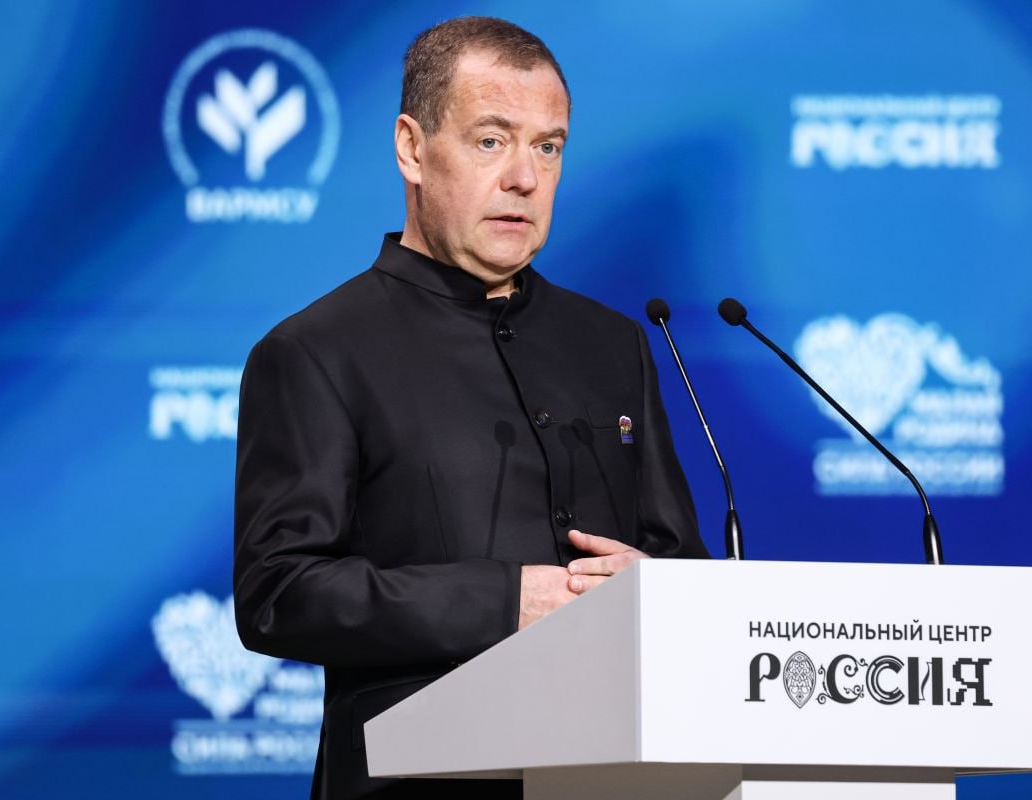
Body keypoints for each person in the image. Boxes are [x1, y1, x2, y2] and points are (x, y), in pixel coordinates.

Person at [233, 16, 708, 800]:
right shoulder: (317, 352)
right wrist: (503, 601)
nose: (524, 177)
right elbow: (279, 595)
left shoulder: (613, 342)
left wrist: (654, 590)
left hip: (612, 773)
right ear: (412, 150)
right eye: (491, 141)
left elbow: (682, 563)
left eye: (547, 147)